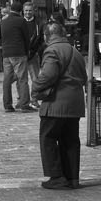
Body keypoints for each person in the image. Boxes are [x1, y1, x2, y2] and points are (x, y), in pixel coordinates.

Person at [32, 21, 88, 190]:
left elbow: (48, 75)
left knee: (48, 138)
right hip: (75, 104)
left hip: (57, 103)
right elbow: (84, 77)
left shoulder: (52, 50)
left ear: (46, 36)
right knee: (70, 140)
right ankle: (72, 178)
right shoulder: (75, 51)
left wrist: (35, 87)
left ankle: (56, 176)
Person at [0, 2, 35, 113]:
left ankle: (8, 105)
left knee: (7, 79)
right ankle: (24, 104)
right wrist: (27, 51)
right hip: (19, 53)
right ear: (20, 11)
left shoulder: (3, 21)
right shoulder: (21, 21)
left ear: (10, 9)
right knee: (22, 79)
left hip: (6, 54)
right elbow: (26, 38)